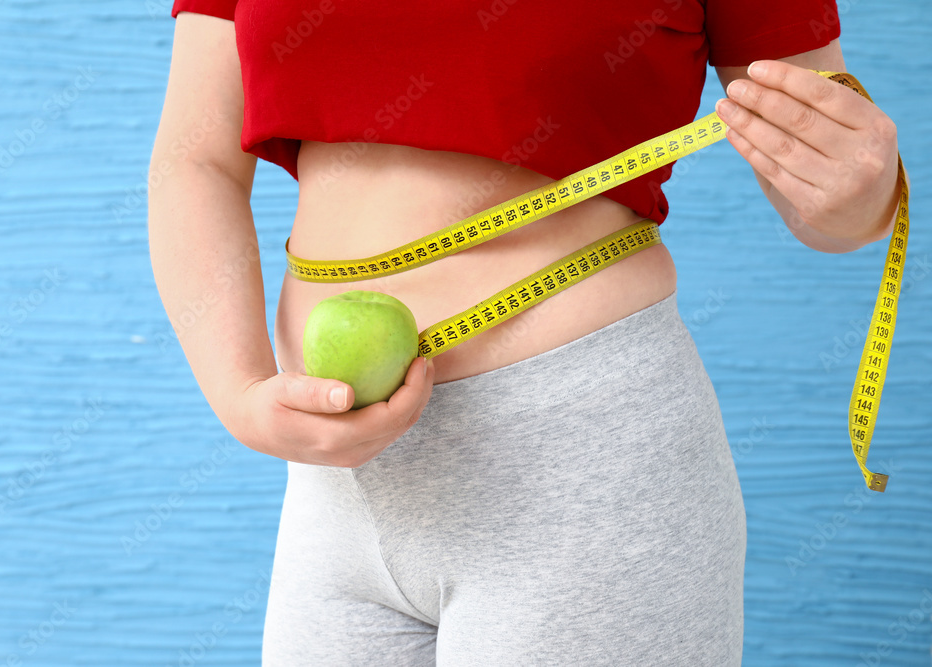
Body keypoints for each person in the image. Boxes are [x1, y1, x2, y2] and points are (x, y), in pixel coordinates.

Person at [148, 1, 901, 664]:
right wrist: (240, 389)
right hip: (335, 496)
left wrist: (862, 197)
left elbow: (817, 157)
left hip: (586, 471)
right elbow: (196, 159)